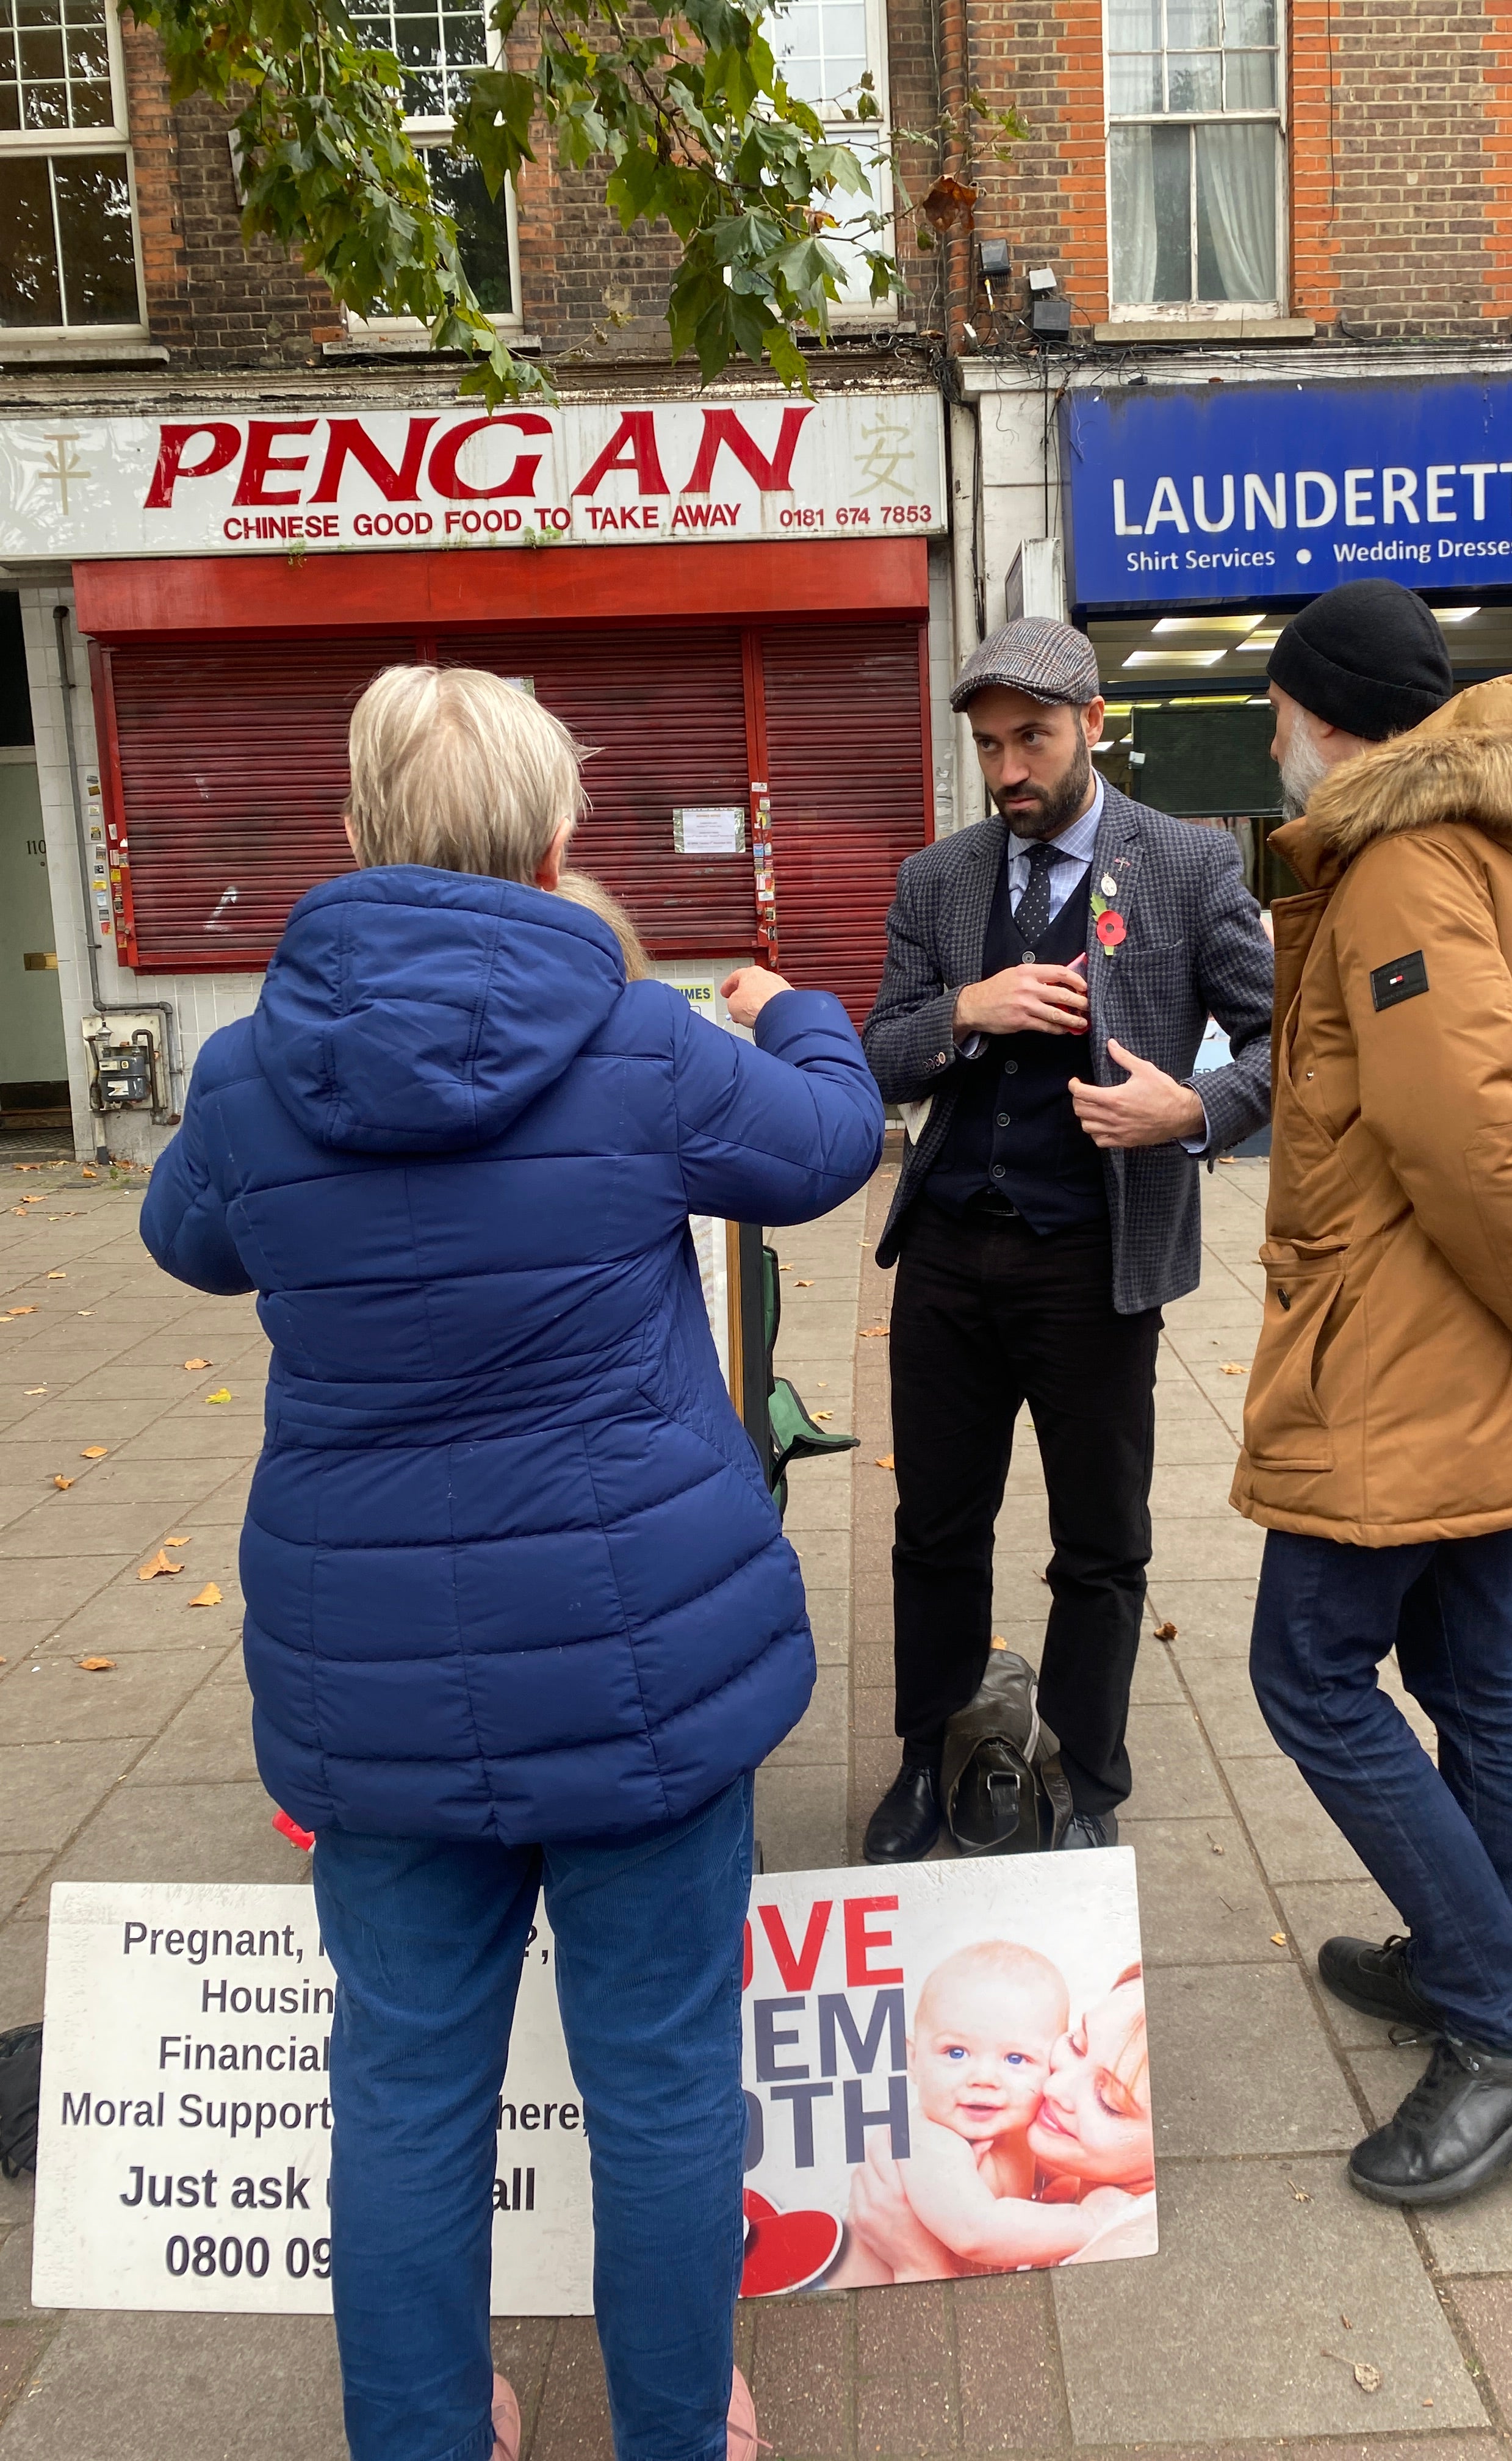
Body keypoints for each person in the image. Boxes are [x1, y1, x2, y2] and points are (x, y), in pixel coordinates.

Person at [139, 666, 886, 2461]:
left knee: (401, 2089)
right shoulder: (641, 1049)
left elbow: (187, 1243)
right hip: (638, 1667)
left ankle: (422, 2428)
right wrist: (799, 1016)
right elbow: (827, 1150)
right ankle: (674, 2423)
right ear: (563, 850)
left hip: (368, 1680)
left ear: (351, 838)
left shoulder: (249, 1077)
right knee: (659, 2083)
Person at [1234, 582, 1512, 2208]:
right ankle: (1460, 1946)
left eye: (1275, 708)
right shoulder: (1508, 849)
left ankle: (1507, 2028)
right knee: (1470, 1656)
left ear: (1322, 712)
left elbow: (1472, 1135)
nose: (1272, 737)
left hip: (1408, 1345)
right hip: (1469, 1335)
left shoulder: (1404, 862)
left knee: (1305, 1668)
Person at [860, 617, 1274, 1860]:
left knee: (1100, 1541)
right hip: (946, 1253)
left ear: (1094, 723)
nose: (1006, 772)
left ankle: (1086, 1779)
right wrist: (964, 1012)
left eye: (1030, 740)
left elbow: (1281, 1048)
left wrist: (1191, 1108)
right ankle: (932, 1758)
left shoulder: (1190, 866)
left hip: (1096, 1263)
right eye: (988, 747)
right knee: (935, 1529)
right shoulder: (938, 879)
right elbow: (878, 1044)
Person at [846, 1964, 1156, 2277]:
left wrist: (920, 2264)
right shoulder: (931, 2141)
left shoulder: (1133, 2242)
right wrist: (1086, 2221)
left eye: (1109, 2102)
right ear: (912, 2059)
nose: (1053, 2087)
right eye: (1077, 2044)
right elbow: (975, 2231)